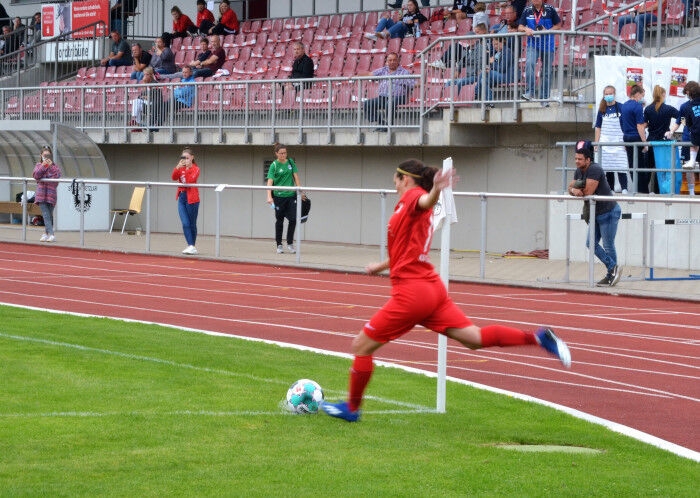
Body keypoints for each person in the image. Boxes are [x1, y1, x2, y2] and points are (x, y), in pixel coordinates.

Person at [321, 159, 571, 422]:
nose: (393, 184)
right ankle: (539, 338)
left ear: (405, 179)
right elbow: (405, 250)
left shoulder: (413, 197)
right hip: (430, 289)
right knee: (474, 339)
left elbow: (425, 201)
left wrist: (436, 190)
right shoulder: (406, 205)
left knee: (361, 346)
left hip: (412, 294)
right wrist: (380, 266)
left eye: (395, 179)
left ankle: (351, 409)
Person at [568, 140, 622, 287]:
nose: (577, 161)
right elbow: (570, 188)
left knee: (608, 245)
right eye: (575, 158)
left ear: (588, 159)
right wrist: (573, 190)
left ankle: (611, 274)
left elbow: (587, 192)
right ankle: (613, 268)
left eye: (580, 159)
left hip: (608, 211)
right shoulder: (578, 171)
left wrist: (577, 189)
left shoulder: (595, 169)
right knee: (590, 243)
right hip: (595, 213)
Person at [518, 0, 561, 106]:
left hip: (548, 45)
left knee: (546, 72)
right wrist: (526, 29)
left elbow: (558, 25)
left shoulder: (550, 9)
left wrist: (548, 30)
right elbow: (520, 27)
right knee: (529, 64)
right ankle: (530, 92)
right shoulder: (527, 10)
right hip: (533, 44)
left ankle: (544, 99)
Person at [360, 52, 415, 132]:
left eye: (394, 60)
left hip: (398, 97)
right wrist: (355, 76)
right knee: (367, 104)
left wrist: (422, 81)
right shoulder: (383, 70)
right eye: (390, 60)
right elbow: (370, 74)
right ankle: (382, 124)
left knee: (389, 103)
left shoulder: (404, 72)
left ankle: (389, 125)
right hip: (383, 97)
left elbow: (413, 84)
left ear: (398, 61)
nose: (392, 62)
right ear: (387, 61)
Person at [266, 143, 305, 254]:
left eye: (285, 153)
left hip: (291, 196)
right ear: (276, 154)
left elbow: (296, 177)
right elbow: (270, 182)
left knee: (293, 219)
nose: (283, 155)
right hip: (279, 197)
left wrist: (300, 191)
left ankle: (290, 243)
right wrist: (269, 196)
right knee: (280, 220)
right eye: (281, 153)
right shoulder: (274, 165)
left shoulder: (290, 162)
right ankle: (279, 244)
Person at [644, 85, 679, 193]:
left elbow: (644, 124)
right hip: (663, 141)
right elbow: (682, 117)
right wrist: (674, 129)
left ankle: (644, 191)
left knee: (648, 167)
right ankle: (659, 191)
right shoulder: (668, 108)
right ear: (663, 94)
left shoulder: (648, 109)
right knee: (662, 167)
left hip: (651, 140)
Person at [594, 85, 629, 193]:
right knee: (608, 167)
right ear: (604, 95)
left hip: (619, 142)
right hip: (606, 142)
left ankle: (624, 188)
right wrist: (596, 143)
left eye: (610, 94)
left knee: (621, 166)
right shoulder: (601, 110)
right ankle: (610, 189)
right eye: (606, 94)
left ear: (614, 94)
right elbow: (598, 127)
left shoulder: (621, 107)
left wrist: (625, 142)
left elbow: (626, 125)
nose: (608, 96)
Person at [436, 23, 490, 92]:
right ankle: (448, 97)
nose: (470, 40)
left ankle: (458, 98)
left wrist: (478, 79)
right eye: (468, 39)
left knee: (460, 83)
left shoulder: (480, 48)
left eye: (472, 39)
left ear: (476, 39)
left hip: (475, 76)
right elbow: (460, 65)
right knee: (449, 83)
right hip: (468, 77)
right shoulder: (466, 50)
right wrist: (453, 78)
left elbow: (479, 64)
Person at [667, 81, 699, 195]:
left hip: (694, 136)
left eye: (687, 93)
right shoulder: (685, 106)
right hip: (688, 138)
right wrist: (671, 131)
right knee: (689, 167)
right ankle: (691, 192)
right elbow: (679, 121)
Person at [620, 84, 649, 193]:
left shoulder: (624, 106)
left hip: (627, 137)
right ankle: (643, 191)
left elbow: (622, 123)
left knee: (632, 165)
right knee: (640, 165)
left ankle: (636, 188)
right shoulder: (637, 106)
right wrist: (644, 143)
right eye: (642, 95)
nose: (642, 98)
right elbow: (640, 126)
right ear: (637, 94)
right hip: (636, 137)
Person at [172, 147, 200, 255]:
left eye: (187, 158)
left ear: (192, 158)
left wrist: (187, 169)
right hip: (182, 197)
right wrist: (177, 167)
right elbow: (174, 177)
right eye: (183, 158)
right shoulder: (181, 168)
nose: (185, 160)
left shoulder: (196, 169)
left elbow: (190, 181)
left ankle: (192, 245)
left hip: (192, 198)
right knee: (185, 222)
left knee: (192, 223)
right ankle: (191, 245)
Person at [32, 146, 62, 243]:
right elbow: (36, 175)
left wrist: (49, 167)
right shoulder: (38, 165)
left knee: (49, 215)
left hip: (51, 194)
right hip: (41, 194)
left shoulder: (54, 167)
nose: (46, 157)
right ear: (41, 155)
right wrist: (44, 166)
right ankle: (52, 235)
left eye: (48, 155)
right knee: (45, 215)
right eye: (44, 155)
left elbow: (57, 176)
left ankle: (45, 234)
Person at [474, 36, 514, 106]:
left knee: (484, 73)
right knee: (483, 80)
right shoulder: (497, 53)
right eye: (493, 44)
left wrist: (493, 63)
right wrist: (490, 68)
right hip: (496, 76)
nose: (495, 46)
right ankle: (490, 102)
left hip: (507, 77)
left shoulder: (507, 51)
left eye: (496, 44)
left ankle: (476, 92)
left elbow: (502, 69)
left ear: (502, 42)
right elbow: (494, 67)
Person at [681, 82, 700, 172]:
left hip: (696, 133)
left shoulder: (688, 106)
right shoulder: (686, 106)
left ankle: (692, 160)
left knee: (694, 142)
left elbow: (687, 122)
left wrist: (689, 126)